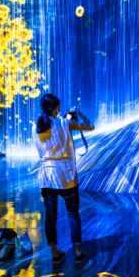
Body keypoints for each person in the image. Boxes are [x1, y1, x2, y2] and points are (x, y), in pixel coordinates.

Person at [33, 93, 94, 266]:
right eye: (58, 107)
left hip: (46, 176)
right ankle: (78, 251)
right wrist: (78, 113)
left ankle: (55, 253)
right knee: (73, 213)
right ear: (56, 108)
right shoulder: (64, 123)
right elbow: (90, 126)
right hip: (66, 176)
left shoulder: (36, 127)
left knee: (50, 217)